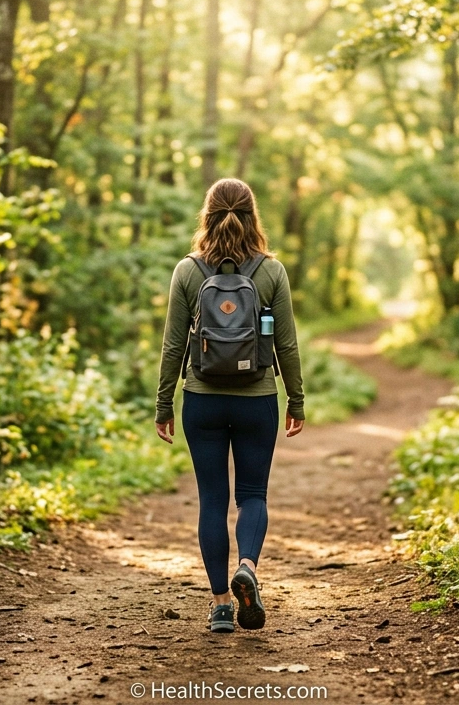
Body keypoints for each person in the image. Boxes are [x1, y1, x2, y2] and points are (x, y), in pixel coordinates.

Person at [155, 178, 306, 633]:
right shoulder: (270, 271)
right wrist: (295, 399)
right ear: (252, 214)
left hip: (202, 401)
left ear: (207, 213)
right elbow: (288, 346)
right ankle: (249, 568)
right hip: (256, 399)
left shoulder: (188, 271)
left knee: (212, 501)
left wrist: (165, 404)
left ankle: (221, 603)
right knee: (253, 495)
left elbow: (172, 347)